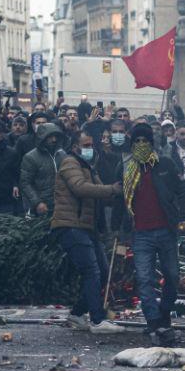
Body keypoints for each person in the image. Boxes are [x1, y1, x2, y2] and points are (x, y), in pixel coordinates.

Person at [123, 122, 185, 344]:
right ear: (132, 145)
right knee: (144, 279)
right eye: (137, 142)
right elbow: (118, 199)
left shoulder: (165, 164)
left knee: (172, 276)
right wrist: (117, 229)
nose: (141, 145)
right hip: (140, 233)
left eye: (145, 141)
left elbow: (183, 192)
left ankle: (163, 313)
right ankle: (153, 322)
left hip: (165, 230)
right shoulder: (127, 168)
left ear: (151, 144)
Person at [51, 130, 125, 334]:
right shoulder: (70, 163)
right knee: (92, 271)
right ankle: (97, 320)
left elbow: (101, 191)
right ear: (75, 147)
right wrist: (112, 189)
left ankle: (77, 314)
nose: (90, 148)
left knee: (100, 273)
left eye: (91, 144)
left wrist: (119, 192)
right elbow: (81, 188)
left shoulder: (88, 167)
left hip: (86, 227)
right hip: (71, 226)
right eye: (86, 145)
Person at [19, 122, 66, 216]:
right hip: (42, 205)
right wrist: (37, 202)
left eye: (56, 136)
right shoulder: (31, 157)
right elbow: (25, 183)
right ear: (42, 138)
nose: (54, 140)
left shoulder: (62, 154)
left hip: (61, 203)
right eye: (50, 136)